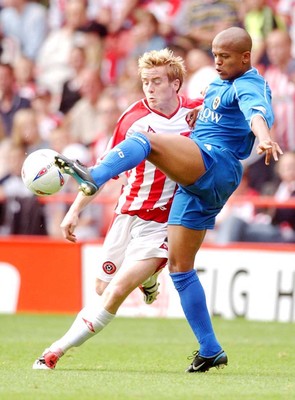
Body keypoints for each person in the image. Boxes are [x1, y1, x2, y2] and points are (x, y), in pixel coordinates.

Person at [49, 27, 283, 374]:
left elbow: (255, 113)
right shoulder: (217, 83)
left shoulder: (250, 82)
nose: (218, 63)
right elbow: (220, 109)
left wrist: (263, 138)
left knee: (147, 139)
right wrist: (199, 112)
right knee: (181, 268)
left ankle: (93, 175)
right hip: (198, 184)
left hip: (215, 162)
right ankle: (210, 349)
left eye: (226, 57)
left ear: (246, 57)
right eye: (215, 55)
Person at [33, 48, 202, 370]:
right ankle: (150, 282)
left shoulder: (196, 112)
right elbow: (105, 169)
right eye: (145, 82)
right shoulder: (132, 120)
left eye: (157, 82)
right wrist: (74, 211)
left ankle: (53, 352)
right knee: (102, 286)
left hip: (164, 222)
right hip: (128, 213)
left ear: (176, 84)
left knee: (117, 291)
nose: (150, 89)